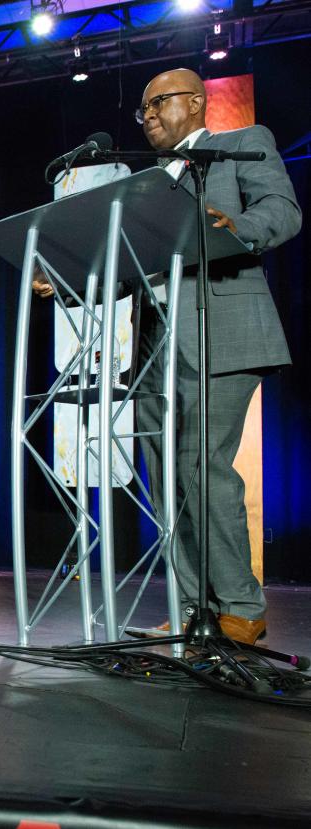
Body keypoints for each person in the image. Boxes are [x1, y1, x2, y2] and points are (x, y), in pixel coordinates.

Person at [130, 69, 301, 644]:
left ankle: (240, 607)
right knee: (166, 478)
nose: (148, 114)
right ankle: (190, 607)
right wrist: (72, 275)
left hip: (225, 329)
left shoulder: (241, 145)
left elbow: (282, 211)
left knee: (201, 465)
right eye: (143, 109)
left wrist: (240, 227)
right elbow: (136, 261)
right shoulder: (147, 181)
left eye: (158, 102)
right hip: (156, 346)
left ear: (197, 102)